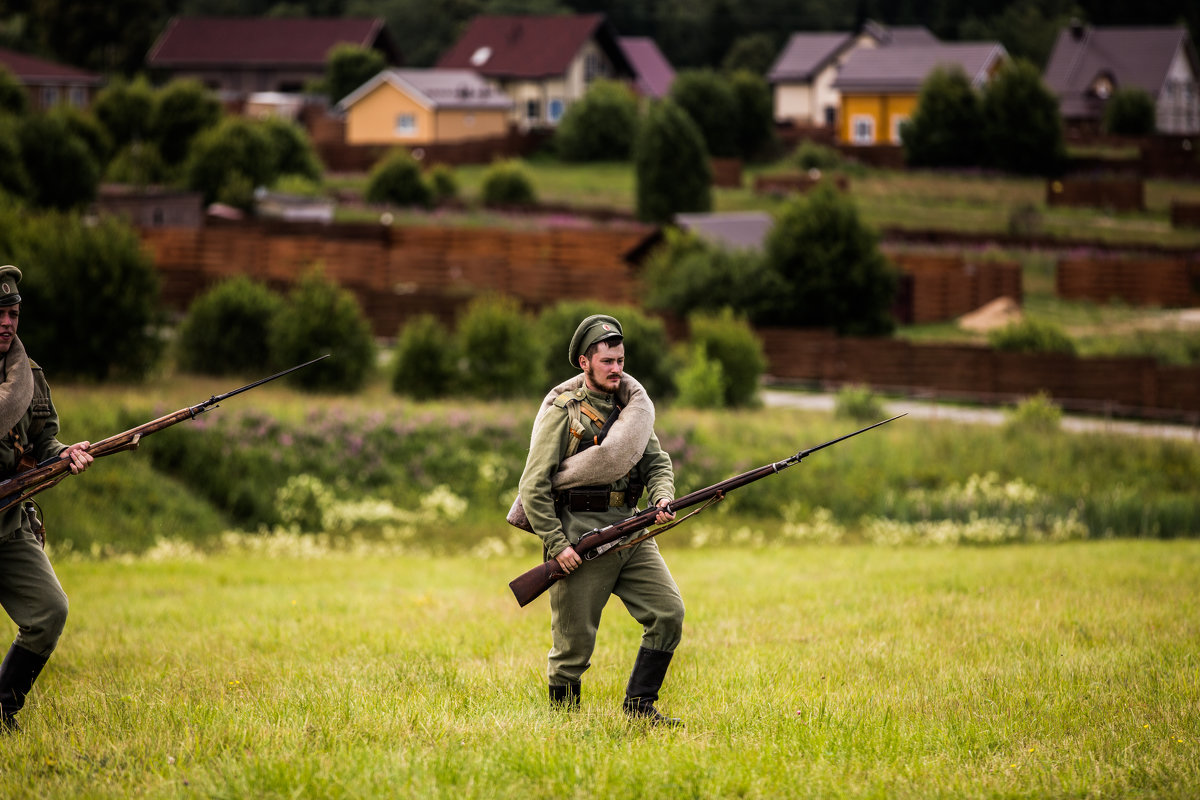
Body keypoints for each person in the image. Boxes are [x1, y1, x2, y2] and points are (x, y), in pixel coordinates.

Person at [517, 313, 685, 724]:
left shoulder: (634, 410)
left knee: (668, 614)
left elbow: (657, 463)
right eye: (607, 361)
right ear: (584, 363)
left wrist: (662, 497)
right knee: (572, 648)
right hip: (579, 534)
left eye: (621, 361)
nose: (616, 369)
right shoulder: (564, 412)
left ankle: (640, 708)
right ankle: (564, 725)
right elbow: (533, 486)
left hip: (631, 529)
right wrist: (558, 547)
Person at [0, 265, 92, 732]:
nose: (6, 322)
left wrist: (65, 454)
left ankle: (2, 710)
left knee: (49, 611)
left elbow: (44, 445)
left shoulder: (28, 378)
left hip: (9, 523)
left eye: (12, 313)